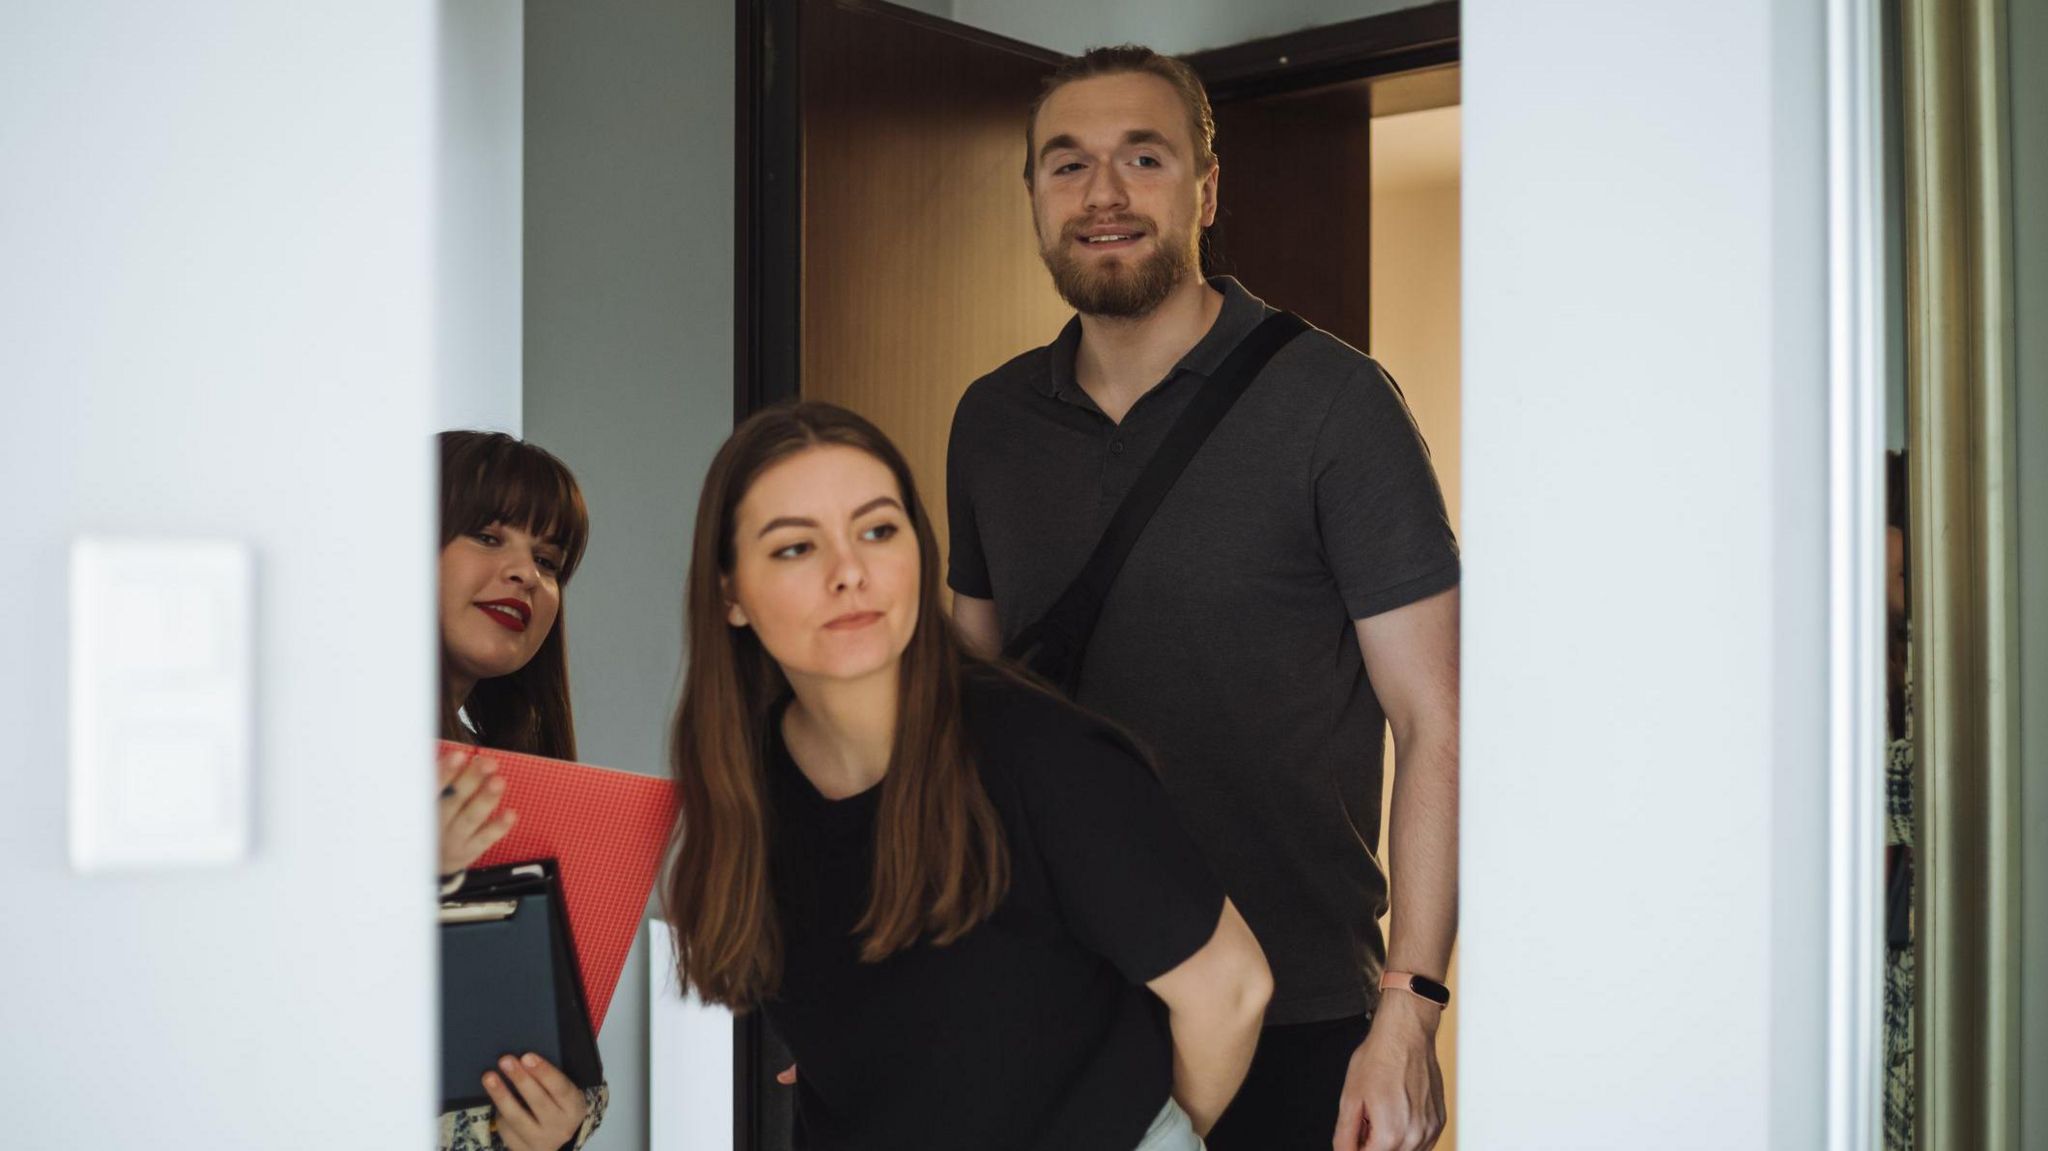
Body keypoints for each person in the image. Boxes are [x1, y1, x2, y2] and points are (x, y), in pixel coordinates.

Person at [945, 46, 1461, 1151]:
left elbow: (1434, 721)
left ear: (1205, 189)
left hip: (1297, 1008)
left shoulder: (1335, 403)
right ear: (1032, 196)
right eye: (1066, 165)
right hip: (1054, 999)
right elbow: (955, 720)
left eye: (1143, 156)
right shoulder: (989, 421)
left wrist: (1408, 1007)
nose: (1103, 195)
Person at [662, 401, 1273, 1150]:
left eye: (878, 530)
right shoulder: (741, 786)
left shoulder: (1040, 754)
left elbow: (1232, 991)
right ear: (729, 593)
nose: (849, 572)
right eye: (795, 547)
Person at [433, 429, 608, 1151]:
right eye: (487, 534)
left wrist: (561, 1121)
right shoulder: (312, 756)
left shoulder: (517, 779)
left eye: (547, 560)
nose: (525, 575)